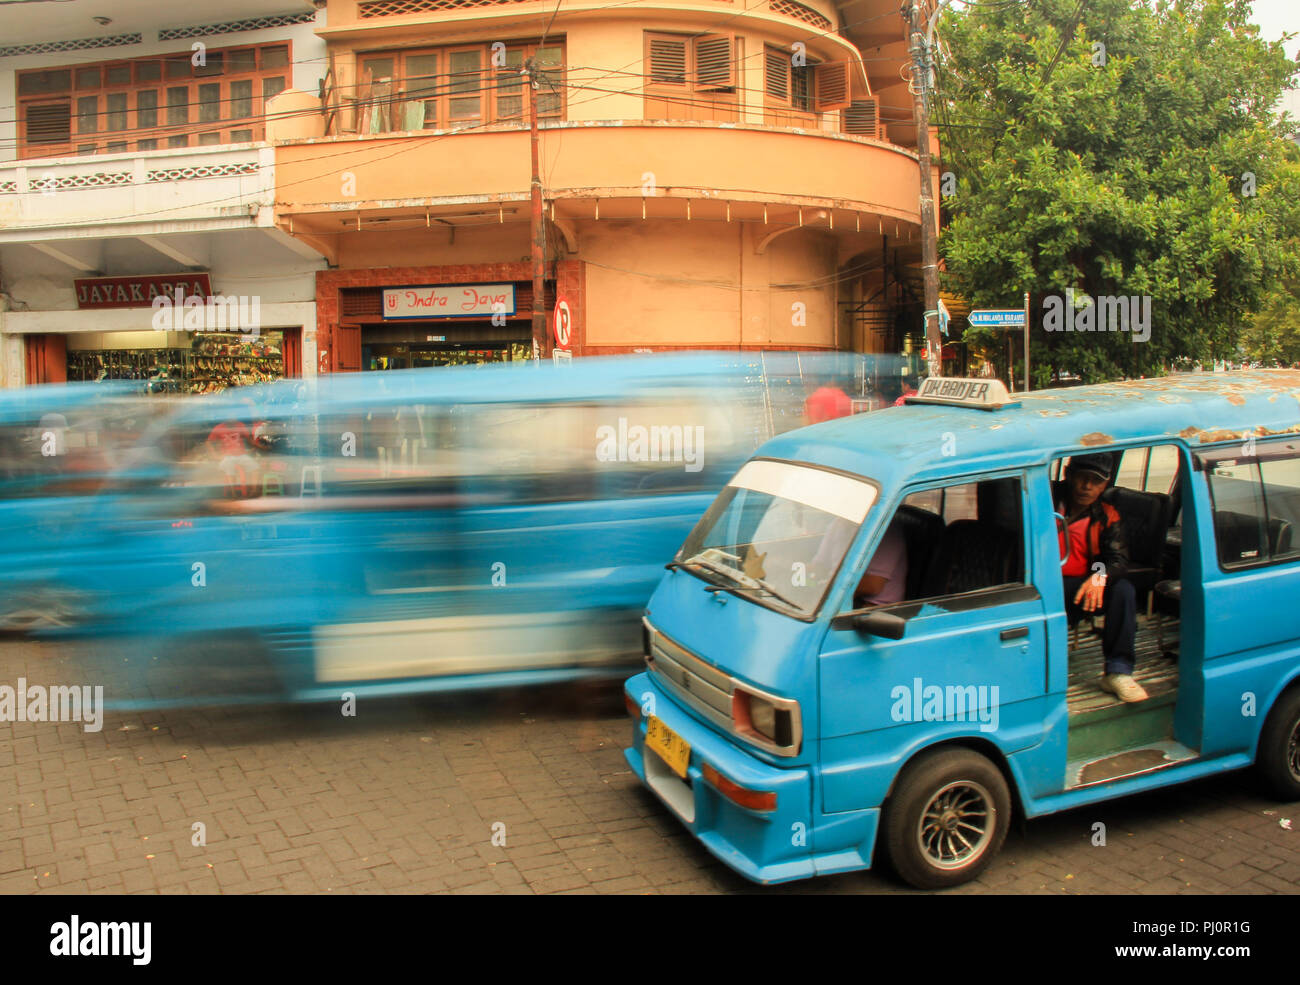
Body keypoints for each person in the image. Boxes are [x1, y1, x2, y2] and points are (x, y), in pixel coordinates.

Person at [1054, 453, 1145, 702]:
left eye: (1095, 481)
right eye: (1082, 478)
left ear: (1105, 485)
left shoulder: (1107, 515)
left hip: (1077, 586)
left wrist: (1098, 576)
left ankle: (1118, 671)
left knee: (1123, 590)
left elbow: (1116, 558)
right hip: (1041, 584)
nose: (1087, 486)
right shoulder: (1046, 499)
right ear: (1069, 476)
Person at [854, 517, 908, 607]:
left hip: (873, 607)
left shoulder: (884, 529)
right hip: (852, 599)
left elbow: (872, 586)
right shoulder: (841, 523)